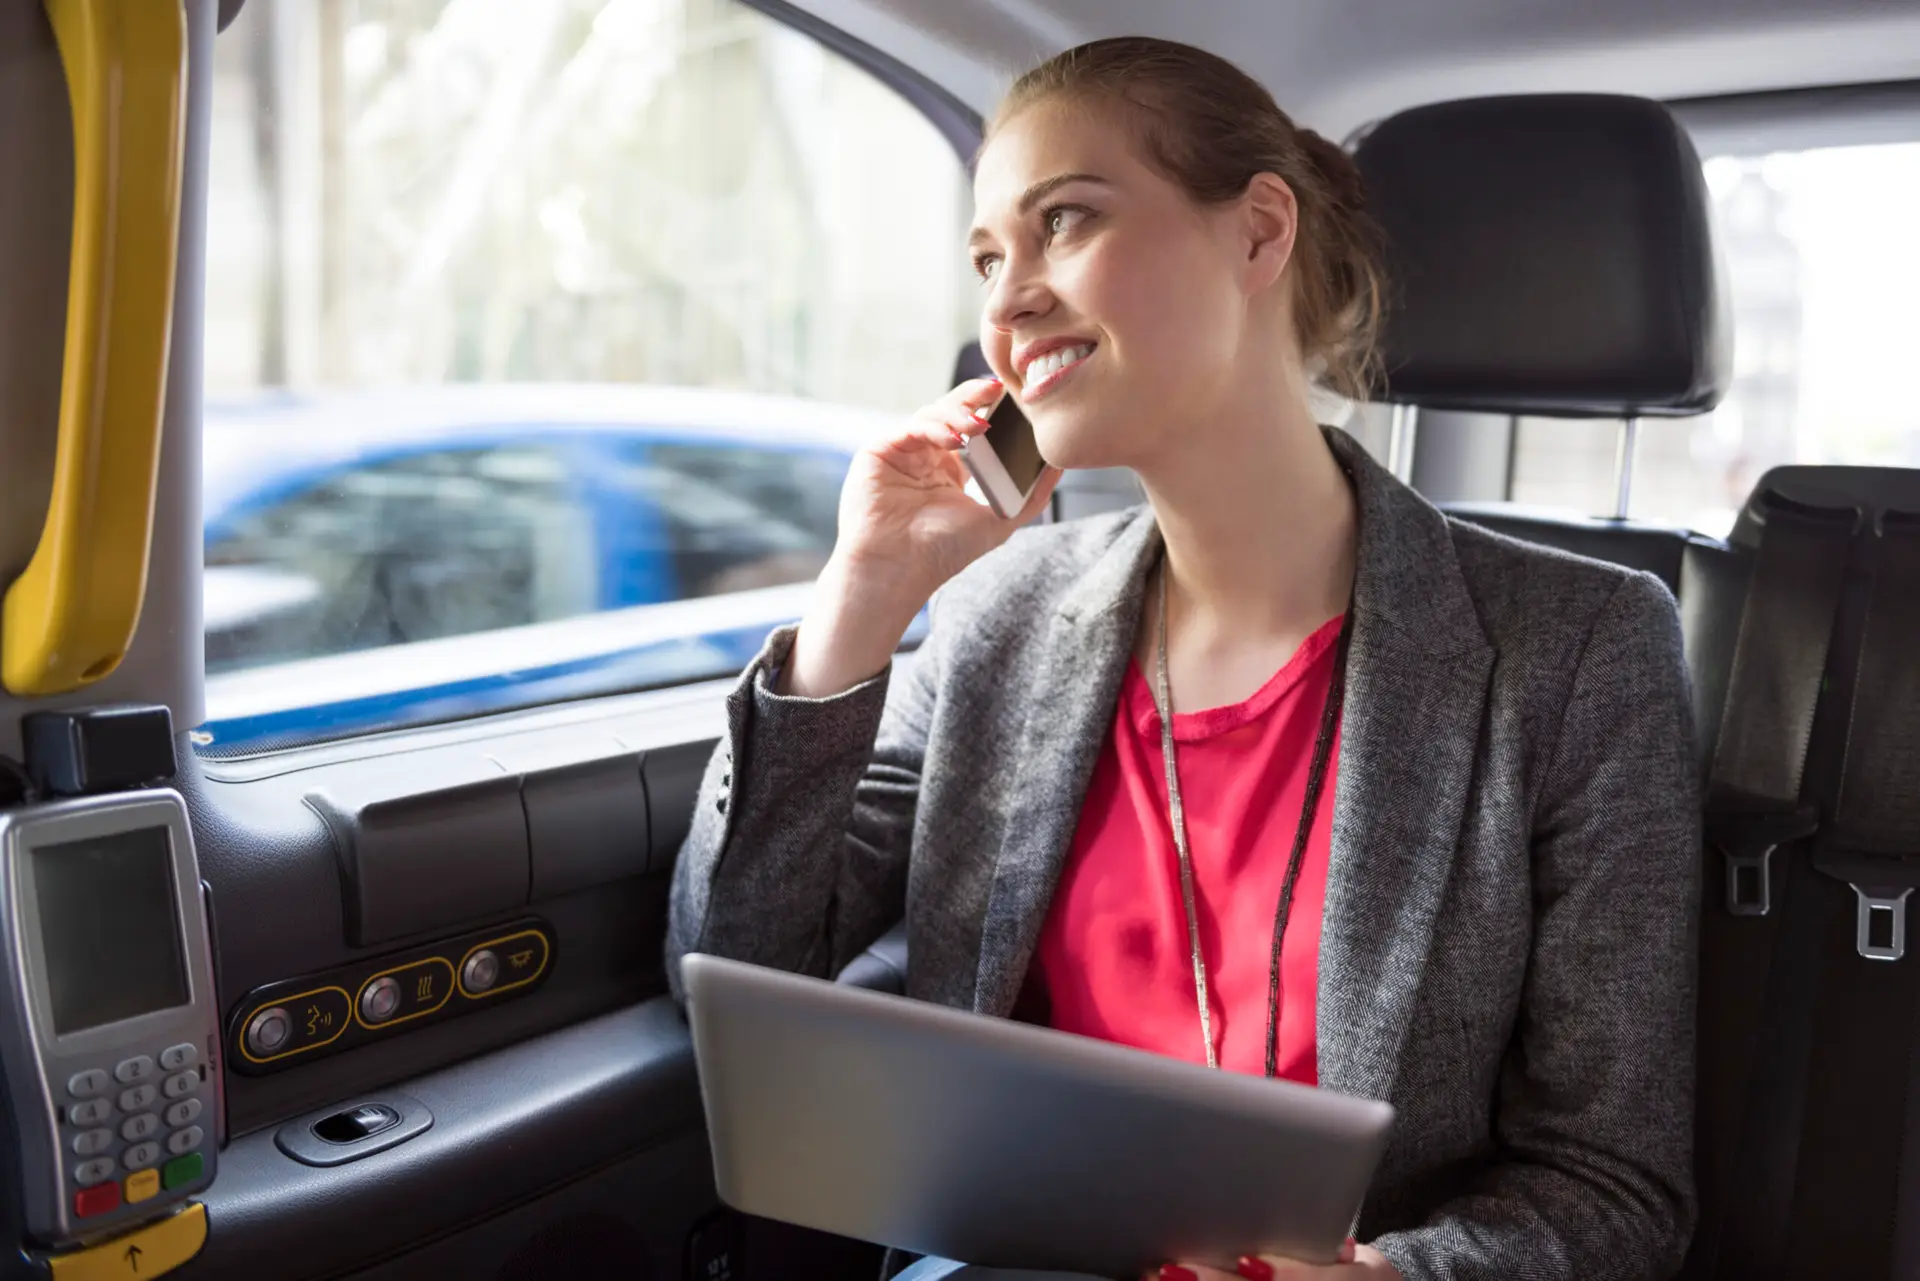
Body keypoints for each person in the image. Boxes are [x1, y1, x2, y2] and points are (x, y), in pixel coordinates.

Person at [667, 34, 1700, 1281]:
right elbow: (728, 969)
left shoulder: (1580, 652)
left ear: (1260, 234)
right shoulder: (998, 616)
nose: (1005, 302)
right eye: (989, 258)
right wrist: (863, 599)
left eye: (1065, 222)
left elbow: (1611, 1185)